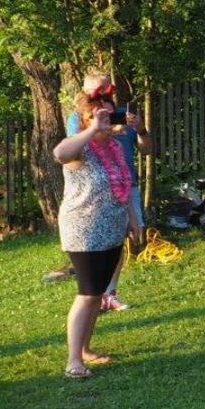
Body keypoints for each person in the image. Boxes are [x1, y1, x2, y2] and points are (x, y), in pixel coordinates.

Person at [53, 92, 144, 378]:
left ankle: (86, 350)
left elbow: (124, 187)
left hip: (112, 229)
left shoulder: (115, 147)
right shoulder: (81, 147)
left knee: (97, 293)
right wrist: (92, 129)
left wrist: (133, 220)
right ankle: (73, 361)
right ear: (84, 119)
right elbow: (59, 154)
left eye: (109, 113)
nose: (105, 119)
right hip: (84, 230)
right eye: (97, 114)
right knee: (88, 293)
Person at [64, 72, 152, 310]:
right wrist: (99, 128)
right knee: (94, 250)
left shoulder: (123, 115)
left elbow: (147, 150)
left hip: (126, 188)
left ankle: (109, 294)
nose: (103, 94)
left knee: (119, 240)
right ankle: (94, 294)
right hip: (94, 196)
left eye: (107, 89)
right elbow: (69, 153)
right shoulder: (78, 118)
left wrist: (141, 130)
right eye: (98, 90)